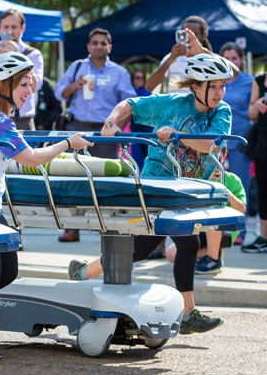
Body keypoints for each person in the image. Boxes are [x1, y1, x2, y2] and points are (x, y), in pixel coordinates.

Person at [0, 53, 93, 359]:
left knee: (7, 270)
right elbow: (33, 160)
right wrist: (68, 143)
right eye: (23, 84)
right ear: (4, 85)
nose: (29, 90)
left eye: (30, 83)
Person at [68, 53, 234, 334]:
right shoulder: (170, 104)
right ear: (195, 86)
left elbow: (211, 146)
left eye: (222, 85)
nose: (219, 92)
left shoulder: (222, 112)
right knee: (189, 244)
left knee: (139, 251)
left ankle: (83, 271)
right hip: (158, 186)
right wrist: (111, 121)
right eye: (213, 86)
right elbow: (129, 104)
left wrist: (177, 135)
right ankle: (189, 313)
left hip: (189, 190)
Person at [53, 28, 138, 242]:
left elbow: (131, 104)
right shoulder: (77, 67)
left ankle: (106, 225)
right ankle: (72, 228)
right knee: (71, 175)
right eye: (95, 43)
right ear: (88, 46)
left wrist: (116, 128)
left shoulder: (119, 72)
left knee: (104, 177)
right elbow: (58, 92)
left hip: (103, 132)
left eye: (103, 43)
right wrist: (75, 85)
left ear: (109, 47)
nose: (99, 46)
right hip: (76, 128)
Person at [166, 147, 246, 274]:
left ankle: (213, 260)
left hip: (224, 229)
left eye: (217, 159)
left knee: (213, 215)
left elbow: (242, 210)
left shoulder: (232, 179)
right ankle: (210, 256)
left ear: (224, 157)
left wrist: (228, 194)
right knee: (171, 253)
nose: (214, 164)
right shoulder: (200, 179)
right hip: (200, 228)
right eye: (210, 160)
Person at [219, 42, 257, 242]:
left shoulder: (251, 82)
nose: (231, 62)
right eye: (227, 58)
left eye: (235, 58)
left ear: (241, 60)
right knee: (216, 183)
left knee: (239, 185)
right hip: (217, 140)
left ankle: (239, 232)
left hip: (241, 140)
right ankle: (218, 229)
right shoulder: (216, 80)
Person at [145, 15, 213, 94]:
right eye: (186, 34)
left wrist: (202, 52)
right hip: (176, 105)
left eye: (194, 34)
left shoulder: (210, 58)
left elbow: (229, 72)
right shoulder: (172, 58)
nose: (189, 37)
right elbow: (149, 87)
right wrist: (171, 59)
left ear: (204, 35)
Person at [241, 71, 267, 252]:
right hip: (262, 139)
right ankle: (264, 238)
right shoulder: (259, 80)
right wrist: (257, 105)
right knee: (263, 189)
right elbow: (250, 114)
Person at [128, 69, 153, 170]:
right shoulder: (128, 91)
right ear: (132, 79)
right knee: (135, 156)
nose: (140, 80)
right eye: (137, 77)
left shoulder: (147, 92)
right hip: (132, 128)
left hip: (147, 129)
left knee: (147, 155)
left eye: (142, 77)